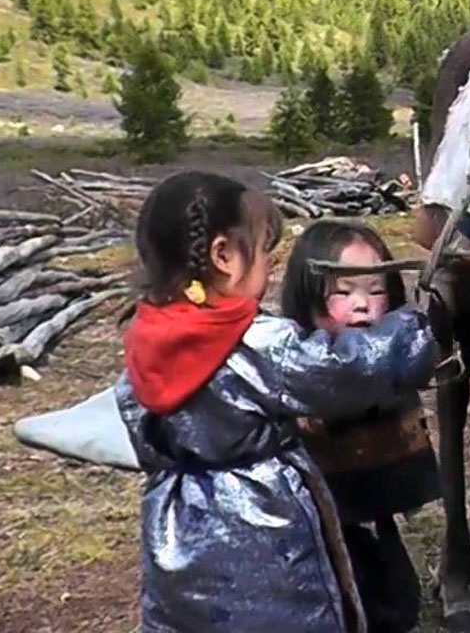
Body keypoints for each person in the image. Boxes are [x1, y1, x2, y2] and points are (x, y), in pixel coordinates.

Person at [114, 171, 439, 633]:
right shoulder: (253, 344)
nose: (269, 265)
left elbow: (137, 423)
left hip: (176, 524)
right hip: (261, 522)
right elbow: (345, 368)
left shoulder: (146, 338)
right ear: (224, 256)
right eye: (264, 250)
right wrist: (416, 328)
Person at [281, 220, 443, 633]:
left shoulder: (392, 347)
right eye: (344, 291)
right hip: (325, 511)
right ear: (310, 293)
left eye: (376, 291)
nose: (363, 305)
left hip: (377, 495)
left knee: (396, 593)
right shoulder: (301, 359)